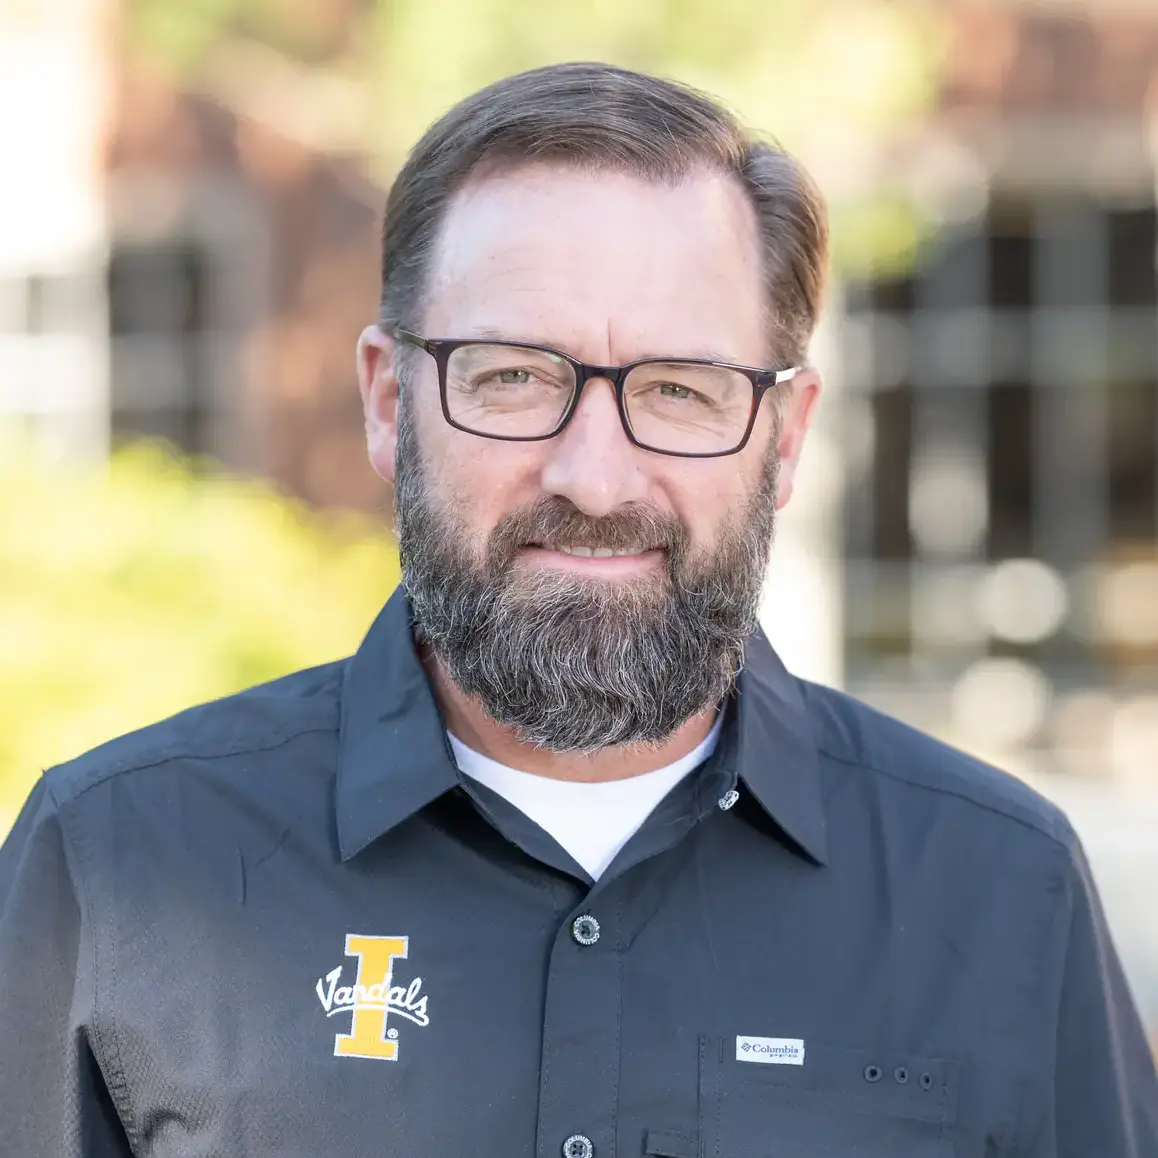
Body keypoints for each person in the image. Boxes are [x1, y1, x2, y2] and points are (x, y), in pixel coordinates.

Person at [1, 61, 1156, 1158]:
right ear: (390, 402)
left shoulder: (1004, 893)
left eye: (681, 389)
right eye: (514, 376)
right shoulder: (114, 866)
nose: (595, 480)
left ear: (786, 435)